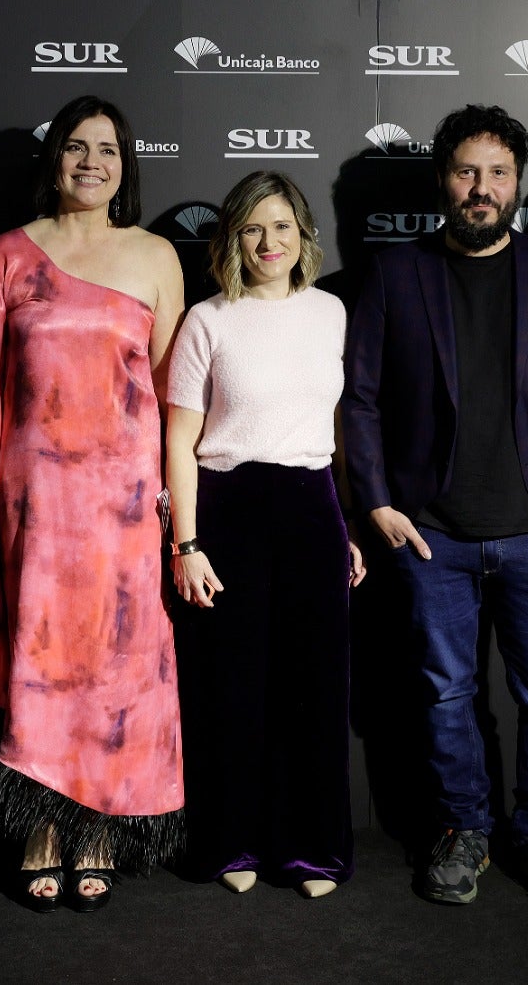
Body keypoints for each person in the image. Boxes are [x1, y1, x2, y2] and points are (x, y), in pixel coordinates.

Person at [342, 105, 528, 911]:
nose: (481, 188)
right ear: (443, 179)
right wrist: (378, 502)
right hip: (434, 536)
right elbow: (360, 399)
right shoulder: (396, 273)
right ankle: (465, 829)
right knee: (444, 696)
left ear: (517, 182)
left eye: (498, 173)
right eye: (467, 172)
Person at [0, 95, 185, 913]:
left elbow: (175, 399)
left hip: (124, 512)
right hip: (34, 507)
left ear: (125, 165)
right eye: (77, 147)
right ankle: (39, 829)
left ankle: (99, 829)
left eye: (107, 150)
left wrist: (179, 514)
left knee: (113, 668)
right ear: (55, 160)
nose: (91, 163)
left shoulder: (155, 257)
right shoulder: (9, 255)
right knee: (42, 666)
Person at [165, 171, 366, 900]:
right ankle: (231, 843)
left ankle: (310, 851)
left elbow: (336, 432)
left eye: (281, 226)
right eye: (253, 227)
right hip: (229, 509)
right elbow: (179, 440)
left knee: (313, 689)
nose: (268, 241)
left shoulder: (331, 313)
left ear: (303, 235)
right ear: (233, 238)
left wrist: (345, 525)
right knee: (232, 689)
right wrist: (187, 545)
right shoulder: (207, 320)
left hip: (313, 506)